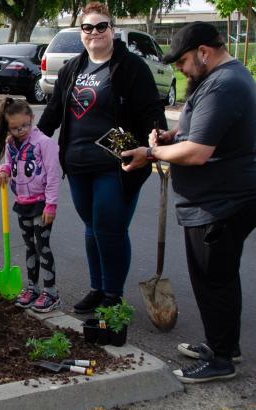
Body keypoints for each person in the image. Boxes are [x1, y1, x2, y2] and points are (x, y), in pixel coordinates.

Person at [122, 22, 256, 383]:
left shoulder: (223, 85)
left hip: (219, 203)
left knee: (212, 279)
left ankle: (221, 361)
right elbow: (199, 134)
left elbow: (197, 152)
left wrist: (152, 151)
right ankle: (224, 344)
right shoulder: (223, 79)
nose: (178, 69)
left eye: (181, 61)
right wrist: (170, 136)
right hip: (222, 198)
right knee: (221, 277)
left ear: (203, 52)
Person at [37, 2, 166, 313]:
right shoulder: (72, 68)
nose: (94, 32)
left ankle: (113, 294)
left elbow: (152, 112)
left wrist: (155, 141)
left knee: (110, 227)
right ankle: (97, 288)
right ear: (81, 32)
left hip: (116, 162)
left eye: (101, 26)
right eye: (88, 27)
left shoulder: (130, 67)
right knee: (92, 227)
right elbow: (53, 114)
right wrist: (29, 142)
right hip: (77, 163)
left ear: (112, 30)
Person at [0, 97, 61, 312]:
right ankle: (33, 288)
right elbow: (10, 164)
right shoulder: (12, 144)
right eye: (15, 128)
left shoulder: (44, 144)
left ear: (32, 118)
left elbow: (53, 177)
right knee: (30, 247)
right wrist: (4, 170)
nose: (21, 131)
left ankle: (51, 292)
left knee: (42, 246)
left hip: (41, 203)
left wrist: (51, 205)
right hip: (23, 202)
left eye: (25, 126)